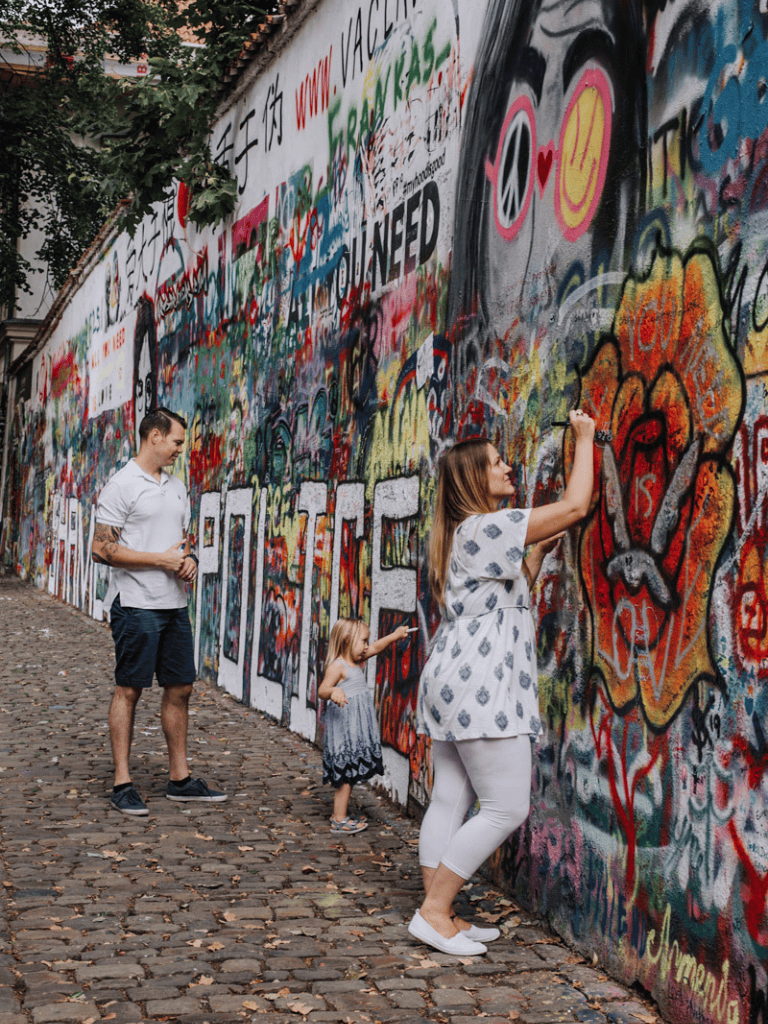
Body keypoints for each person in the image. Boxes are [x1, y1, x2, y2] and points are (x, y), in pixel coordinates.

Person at [408, 409, 595, 955]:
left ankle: (439, 910)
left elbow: (510, 592)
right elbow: (577, 506)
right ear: (472, 479)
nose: (508, 467)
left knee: (450, 796)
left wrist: (535, 553)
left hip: (452, 679)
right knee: (506, 807)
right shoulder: (486, 526)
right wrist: (585, 439)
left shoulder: (467, 535)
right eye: (496, 463)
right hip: (480, 686)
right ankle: (435, 910)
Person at [92, 407, 227, 816]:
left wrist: (187, 560)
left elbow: (178, 542)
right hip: (136, 604)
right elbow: (102, 549)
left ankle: (180, 779)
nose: (180, 450)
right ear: (153, 436)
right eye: (177, 441)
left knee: (180, 688)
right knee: (129, 690)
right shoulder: (121, 485)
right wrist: (160, 561)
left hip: (173, 604)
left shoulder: (176, 487)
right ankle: (122, 782)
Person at [319, 617, 412, 834]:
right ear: (347, 639)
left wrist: (396, 634)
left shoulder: (355, 661)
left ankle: (340, 814)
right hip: (343, 730)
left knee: (350, 773)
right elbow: (322, 689)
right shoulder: (338, 666)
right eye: (363, 641)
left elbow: (378, 647)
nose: (367, 646)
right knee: (345, 776)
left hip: (354, 729)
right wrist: (334, 691)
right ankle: (338, 819)